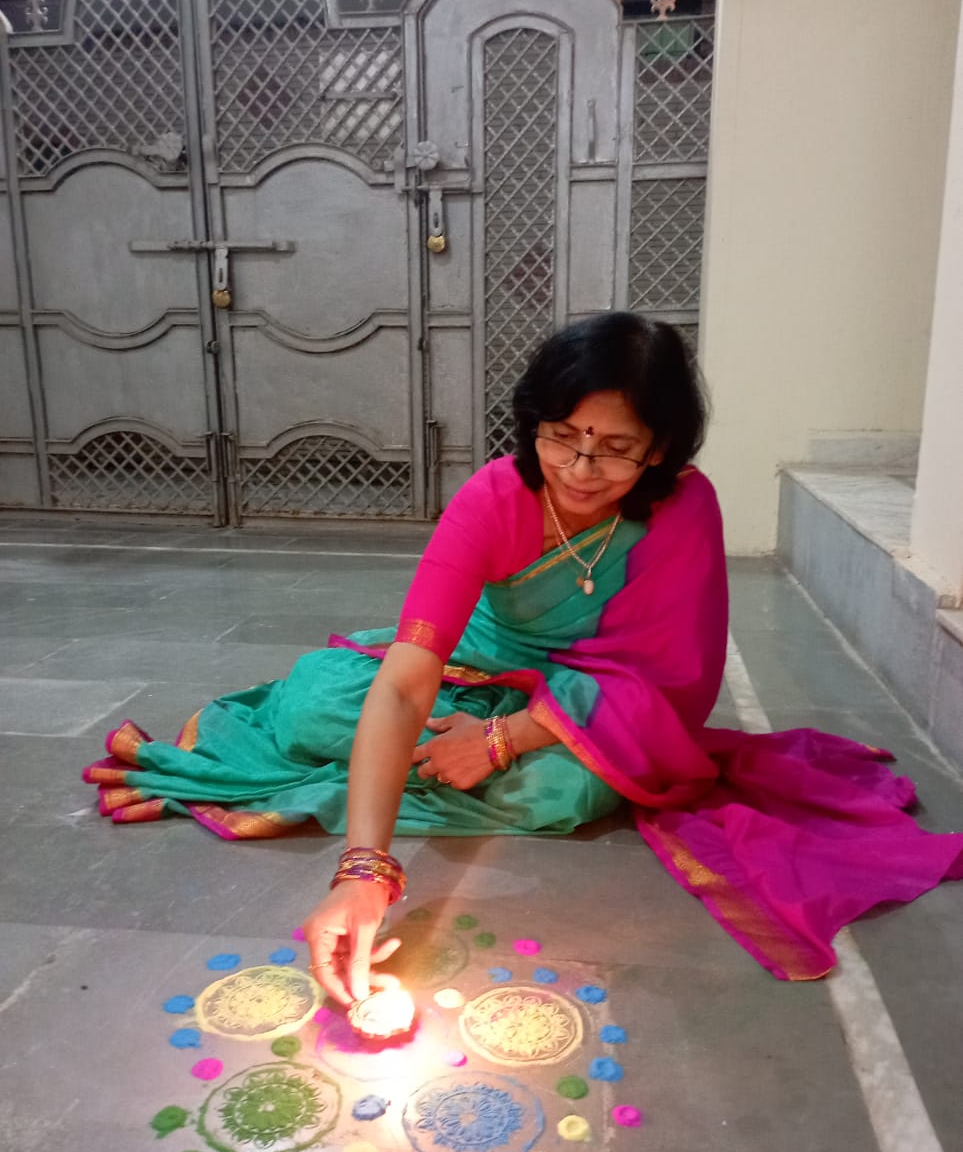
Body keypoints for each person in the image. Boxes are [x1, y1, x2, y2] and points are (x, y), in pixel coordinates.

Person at [84, 312, 963, 999]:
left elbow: (671, 683)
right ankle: (396, 784)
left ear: (661, 447)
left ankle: (436, 765)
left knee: (567, 792)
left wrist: (505, 740)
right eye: (560, 435)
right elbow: (407, 679)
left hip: (586, 699)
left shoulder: (681, 509)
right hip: (477, 664)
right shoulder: (492, 498)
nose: (580, 468)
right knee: (321, 699)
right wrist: (364, 868)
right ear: (531, 423)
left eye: (615, 448)